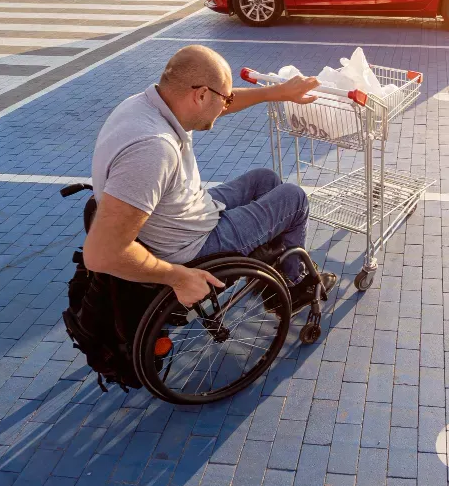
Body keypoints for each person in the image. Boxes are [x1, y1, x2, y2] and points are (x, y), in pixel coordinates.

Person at [83, 45, 336, 309]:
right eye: (225, 100)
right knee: (293, 198)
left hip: (182, 215)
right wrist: (178, 278)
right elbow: (101, 254)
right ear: (201, 95)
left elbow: (218, 102)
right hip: (193, 247)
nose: (225, 107)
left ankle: (274, 267)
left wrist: (276, 93)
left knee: (265, 180)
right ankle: (293, 286)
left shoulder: (145, 105)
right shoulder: (154, 149)